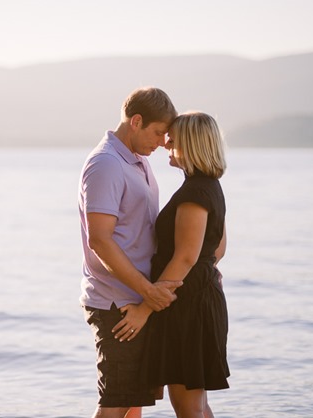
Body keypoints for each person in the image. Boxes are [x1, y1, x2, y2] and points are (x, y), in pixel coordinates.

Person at [114, 112, 229, 418]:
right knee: (196, 404)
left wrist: (144, 309)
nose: (166, 145)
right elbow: (218, 249)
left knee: (188, 406)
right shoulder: (209, 186)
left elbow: (185, 257)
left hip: (188, 307)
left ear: (190, 145)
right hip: (197, 300)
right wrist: (205, 277)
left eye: (174, 141)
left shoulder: (195, 193)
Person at [78, 87, 182, 418]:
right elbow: (101, 240)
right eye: (157, 132)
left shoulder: (137, 160)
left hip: (136, 300)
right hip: (115, 303)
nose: (163, 141)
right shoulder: (106, 164)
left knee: (134, 401)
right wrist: (147, 292)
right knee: (116, 402)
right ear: (136, 121)